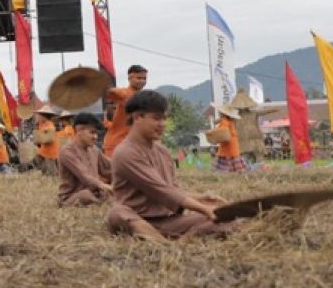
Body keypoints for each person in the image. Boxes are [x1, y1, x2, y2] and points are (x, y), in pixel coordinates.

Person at [107, 90, 237, 241]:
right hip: (137, 218)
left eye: (164, 119)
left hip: (168, 221)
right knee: (118, 213)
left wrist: (202, 198)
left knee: (227, 220)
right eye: (156, 119)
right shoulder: (126, 153)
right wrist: (204, 209)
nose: (162, 124)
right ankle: (168, 242)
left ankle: (179, 240)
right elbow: (162, 191)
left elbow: (173, 190)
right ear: (137, 117)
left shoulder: (162, 151)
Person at [57, 113, 114, 207]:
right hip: (73, 196)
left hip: (96, 192)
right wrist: (105, 186)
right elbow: (84, 176)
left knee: (116, 196)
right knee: (86, 195)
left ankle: (101, 202)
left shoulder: (94, 149)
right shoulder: (67, 151)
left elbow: (108, 168)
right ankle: (101, 203)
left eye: (96, 133)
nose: (95, 137)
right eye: (92, 132)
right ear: (79, 131)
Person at [103, 65, 149, 157]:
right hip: (116, 144)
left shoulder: (142, 97)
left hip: (132, 145)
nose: (142, 81)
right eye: (139, 78)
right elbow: (111, 91)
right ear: (130, 78)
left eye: (144, 78)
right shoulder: (125, 93)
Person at [213, 108, 249, 172]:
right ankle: (235, 169)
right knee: (233, 155)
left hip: (228, 142)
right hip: (233, 142)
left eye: (220, 112)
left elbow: (222, 130)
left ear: (223, 114)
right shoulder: (231, 121)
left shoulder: (224, 121)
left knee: (227, 155)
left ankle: (227, 169)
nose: (219, 113)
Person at [34, 106, 61, 172]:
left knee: (52, 172)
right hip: (44, 150)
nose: (38, 117)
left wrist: (39, 138)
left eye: (39, 115)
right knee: (40, 162)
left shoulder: (49, 125)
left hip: (50, 152)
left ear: (44, 116)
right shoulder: (42, 124)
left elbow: (48, 138)